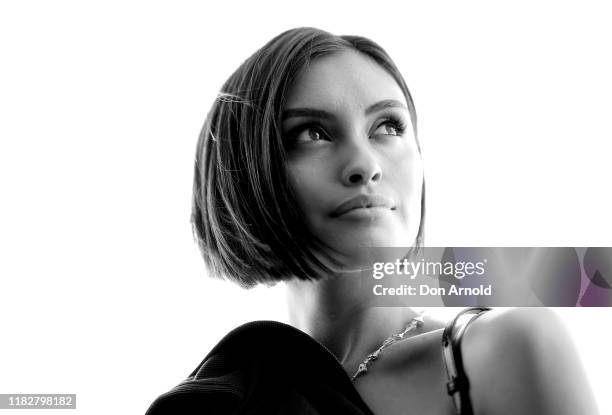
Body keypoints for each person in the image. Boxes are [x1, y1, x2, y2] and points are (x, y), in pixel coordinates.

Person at [145, 27, 598, 415]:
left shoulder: (508, 350)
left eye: (389, 126)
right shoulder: (219, 399)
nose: (365, 164)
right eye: (312, 133)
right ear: (246, 173)